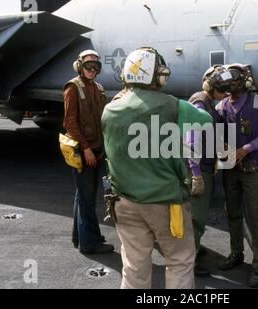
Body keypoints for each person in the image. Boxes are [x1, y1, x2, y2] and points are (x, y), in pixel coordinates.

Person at [101, 47, 212, 289]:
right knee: (180, 261)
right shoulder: (172, 105)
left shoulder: (110, 108)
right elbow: (206, 121)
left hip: (124, 202)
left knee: (133, 265)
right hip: (166, 203)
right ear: (158, 77)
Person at [215, 64, 258, 288]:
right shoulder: (222, 107)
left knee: (255, 218)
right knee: (232, 213)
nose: (226, 86)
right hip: (230, 170)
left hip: (251, 169)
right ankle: (236, 253)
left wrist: (247, 148)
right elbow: (218, 134)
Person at [63, 49, 114, 255]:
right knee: (87, 197)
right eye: (88, 66)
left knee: (82, 196)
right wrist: (86, 148)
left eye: (96, 66)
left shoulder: (98, 89)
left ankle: (80, 236)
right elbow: (70, 123)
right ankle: (90, 243)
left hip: (97, 149)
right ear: (79, 66)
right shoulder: (72, 88)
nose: (92, 70)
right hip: (83, 150)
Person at [186, 65, 233, 276]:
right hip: (198, 169)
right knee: (196, 217)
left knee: (193, 215)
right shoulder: (200, 105)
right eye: (222, 89)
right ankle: (189, 263)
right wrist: (196, 175)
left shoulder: (206, 102)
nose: (225, 94)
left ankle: (190, 250)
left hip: (204, 166)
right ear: (209, 86)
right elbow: (191, 143)